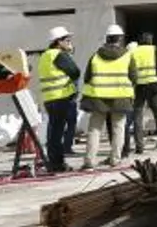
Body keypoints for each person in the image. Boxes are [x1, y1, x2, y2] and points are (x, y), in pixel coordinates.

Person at [79, 24, 137, 167]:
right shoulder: (128, 56)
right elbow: (134, 78)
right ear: (120, 39)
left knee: (94, 130)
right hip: (121, 98)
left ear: (107, 38)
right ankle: (115, 159)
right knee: (119, 129)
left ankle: (89, 161)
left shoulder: (95, 56)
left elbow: (87, 78)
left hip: (98, 99)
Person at [35, 26, 81, 172]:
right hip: (61, 97)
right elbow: (75, 72)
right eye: (66, 40)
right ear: (58, 41)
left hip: (50, 99)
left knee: (53, 131)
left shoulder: (45, 55)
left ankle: (53, 160)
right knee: (58, 132)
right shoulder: (59, 55)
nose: (69, 42)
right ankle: (57, 163)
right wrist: (68, 54)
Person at [124, 31, 157, 156]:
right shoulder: (154, 49)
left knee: (137, 116)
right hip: (153, 85)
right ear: (150, 40)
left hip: (139, 87)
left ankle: (139, 146)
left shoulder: (134, 51)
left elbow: (130, 70)